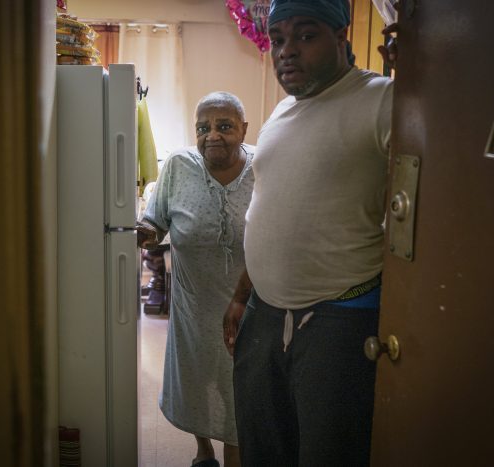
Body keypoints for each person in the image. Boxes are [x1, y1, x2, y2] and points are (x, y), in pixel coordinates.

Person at [222, 0, 394, 465]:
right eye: (278, 40)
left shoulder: (381, 100)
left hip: (338, 318)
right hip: (264, 312)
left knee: (329, 453)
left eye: (305, 35)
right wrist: (243, 293)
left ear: (341, 37)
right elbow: (270, 210)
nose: (286, 51)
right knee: (263, 447)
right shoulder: (282, 113)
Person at [138, 92, 254, 467]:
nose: (212, 136)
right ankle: (204, 452)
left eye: (224, 126)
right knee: (196, 380)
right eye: (203, 128)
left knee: (240, 387)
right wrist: (139, 231)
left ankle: (234, 458)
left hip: (250, 303)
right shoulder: (178, 165)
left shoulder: (263, 166)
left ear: (244, 130)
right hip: (193, 303)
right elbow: (155, 221)